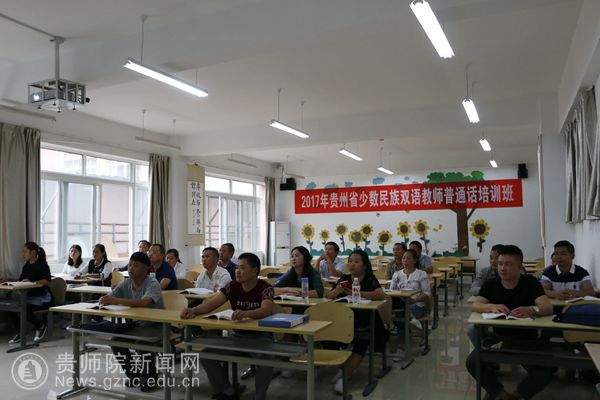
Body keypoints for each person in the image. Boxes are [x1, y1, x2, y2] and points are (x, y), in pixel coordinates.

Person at [180, 252, 275, 400]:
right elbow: (211, 304)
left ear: (254, 271)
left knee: (267, 359)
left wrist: (246, 313)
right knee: (206, 354)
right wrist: (193, 310)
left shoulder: (266, 287)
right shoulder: (232, 286)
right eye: (236, 267)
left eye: (242, 268)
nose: (237, 271)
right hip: (236, 336)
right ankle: (227, 391)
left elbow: (266, 310)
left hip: (261, 337)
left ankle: (259, 396)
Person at [466, 245, 554, 400]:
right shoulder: (491, 284)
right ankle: (501, 394)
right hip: (499, 338)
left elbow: (548, 307)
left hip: (527, 339)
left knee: (547, 369)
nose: (502, 268)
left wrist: (532, 310)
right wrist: (491, 306)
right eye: (500, 263)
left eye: (508, 264)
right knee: (472, 363)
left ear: (520, 266)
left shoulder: (530, 282)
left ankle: (517, 396)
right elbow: (475, 305)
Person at [101, 251, 165, 392]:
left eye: (136, 266)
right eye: (130, 265)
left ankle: (150, 377)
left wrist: (115, 300)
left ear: (146, 269)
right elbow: (110, 297)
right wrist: (105, 299)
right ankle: (134, 375)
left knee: (142, 342)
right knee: (116, 341)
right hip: (136, 325)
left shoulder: (152, 283)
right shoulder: (126, 283)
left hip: (156, 326)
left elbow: (143, 302)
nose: (131, 268)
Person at [325, 249, 387, 394]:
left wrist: (357, 292)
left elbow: (379, 294)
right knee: (327, 336)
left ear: (365, 265)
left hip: (365, 320)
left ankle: (345, 376)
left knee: (362, 341)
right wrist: (337, 290)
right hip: (343, 319)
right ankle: (342, 368)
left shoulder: (370, 278)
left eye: (356, 261)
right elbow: (329, 295)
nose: (352, 264)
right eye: (350, 261)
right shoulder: (345, 278)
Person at [0, 242, 52, 344]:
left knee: (24, 308)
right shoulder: (27, 265)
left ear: (33, 252)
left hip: (42, 297)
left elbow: (47, 280)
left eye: (25, 252)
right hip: (28, 296)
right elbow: (21, 280)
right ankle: (20, 332)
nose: (23, 254)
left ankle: (40, 326)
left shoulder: (42, 264)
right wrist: (8, 279)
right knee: (10, 308)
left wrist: (32, 282)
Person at [389, 249, 431, 358]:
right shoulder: (397, 274)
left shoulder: (421, 274)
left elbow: (427, 294)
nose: (405, 261)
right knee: (399, 313)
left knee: (400, 315)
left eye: (408, 258)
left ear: (415, 260)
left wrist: (415, 300)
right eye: (403, 258)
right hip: (400, 304)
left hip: (417, 305)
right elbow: (391, 291)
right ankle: (411, 320)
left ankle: (401, 346)